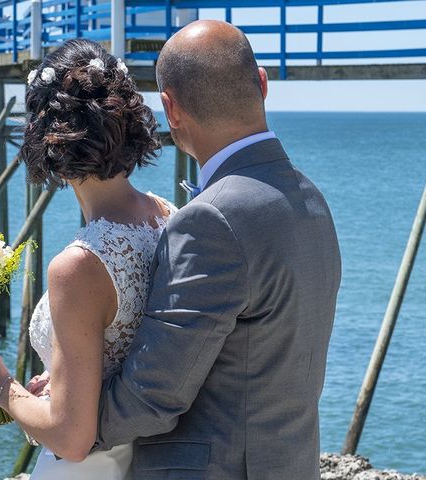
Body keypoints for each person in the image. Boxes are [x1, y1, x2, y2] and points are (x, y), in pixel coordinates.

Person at [90, 20, 342, 479]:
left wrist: (60, 414)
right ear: (262, 84)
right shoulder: (312, 201)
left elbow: (152, 399)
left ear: (171, 108)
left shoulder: (211, 219)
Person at [0, 38, 176, 479]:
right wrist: (59, 385)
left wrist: (0, 387)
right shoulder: (169, 215)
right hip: (150, 458)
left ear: (48, 142)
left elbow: (71, 437)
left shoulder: (78, 266)